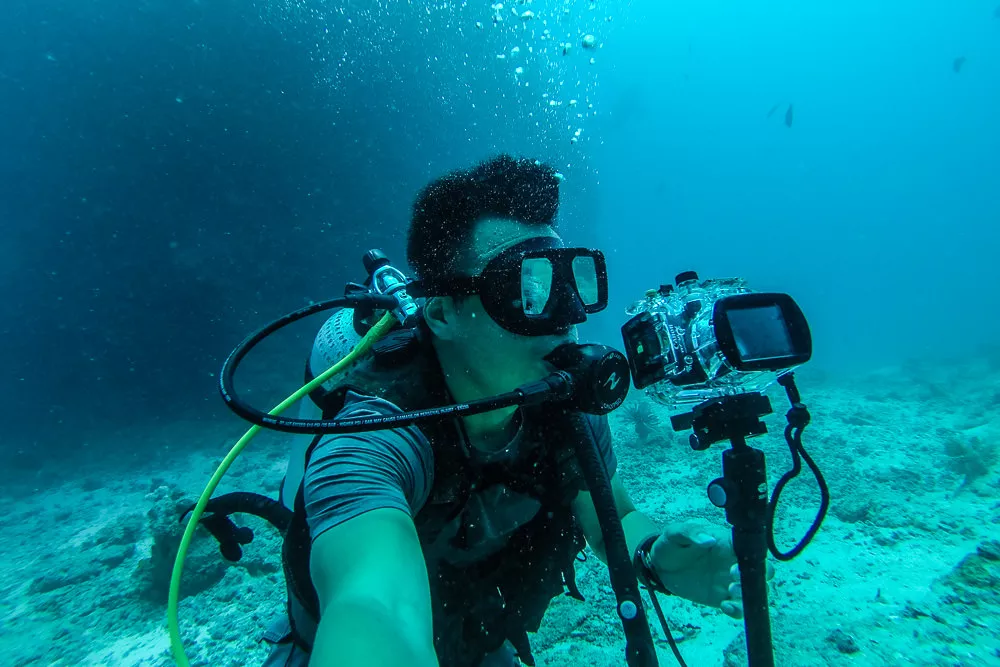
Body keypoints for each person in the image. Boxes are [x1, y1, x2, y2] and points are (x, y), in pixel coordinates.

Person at [262, 154, 748, 667]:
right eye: (526, 289)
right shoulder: (374, 440)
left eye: (573, 283)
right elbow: (373, 604)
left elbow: (611, 518)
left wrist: (655, 559)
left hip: (482, 642)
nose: (567, 318)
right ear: (444, 313)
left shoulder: (565, 408)